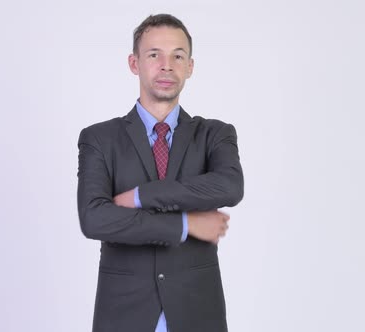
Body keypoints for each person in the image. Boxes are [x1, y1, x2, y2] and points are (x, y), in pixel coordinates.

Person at [77, 13, 244, 332]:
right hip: (124, 314)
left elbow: (230, 187)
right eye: (154, 54)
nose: (167, 65)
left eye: (178, 56)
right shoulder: (99, 139)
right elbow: (95, 218)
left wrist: (141, 195)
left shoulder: (214, 134)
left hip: (197, 313)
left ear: (190, 67)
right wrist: (185, 223)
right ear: (134, 63)